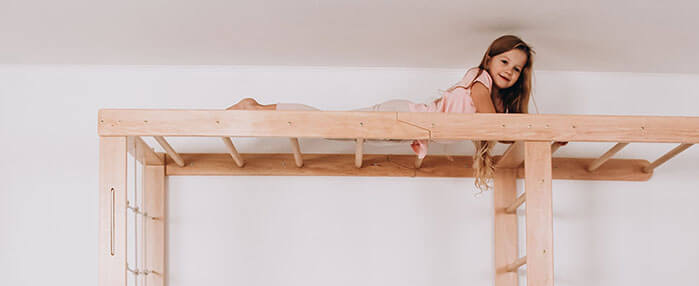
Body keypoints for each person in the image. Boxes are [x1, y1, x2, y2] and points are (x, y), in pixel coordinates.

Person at [227, 34, 535, 189]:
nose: (509, 70)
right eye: (504, 61)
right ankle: (255, 107)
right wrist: (532, 137)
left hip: (405, 125)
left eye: (517, 68)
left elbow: (497, 129)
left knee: (325, 125)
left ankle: (260, 107)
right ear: (490, 59)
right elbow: (492, 127)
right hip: (403, 118)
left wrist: (531, 139)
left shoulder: (492, 97)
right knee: (323, 123)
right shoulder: (480, 81)